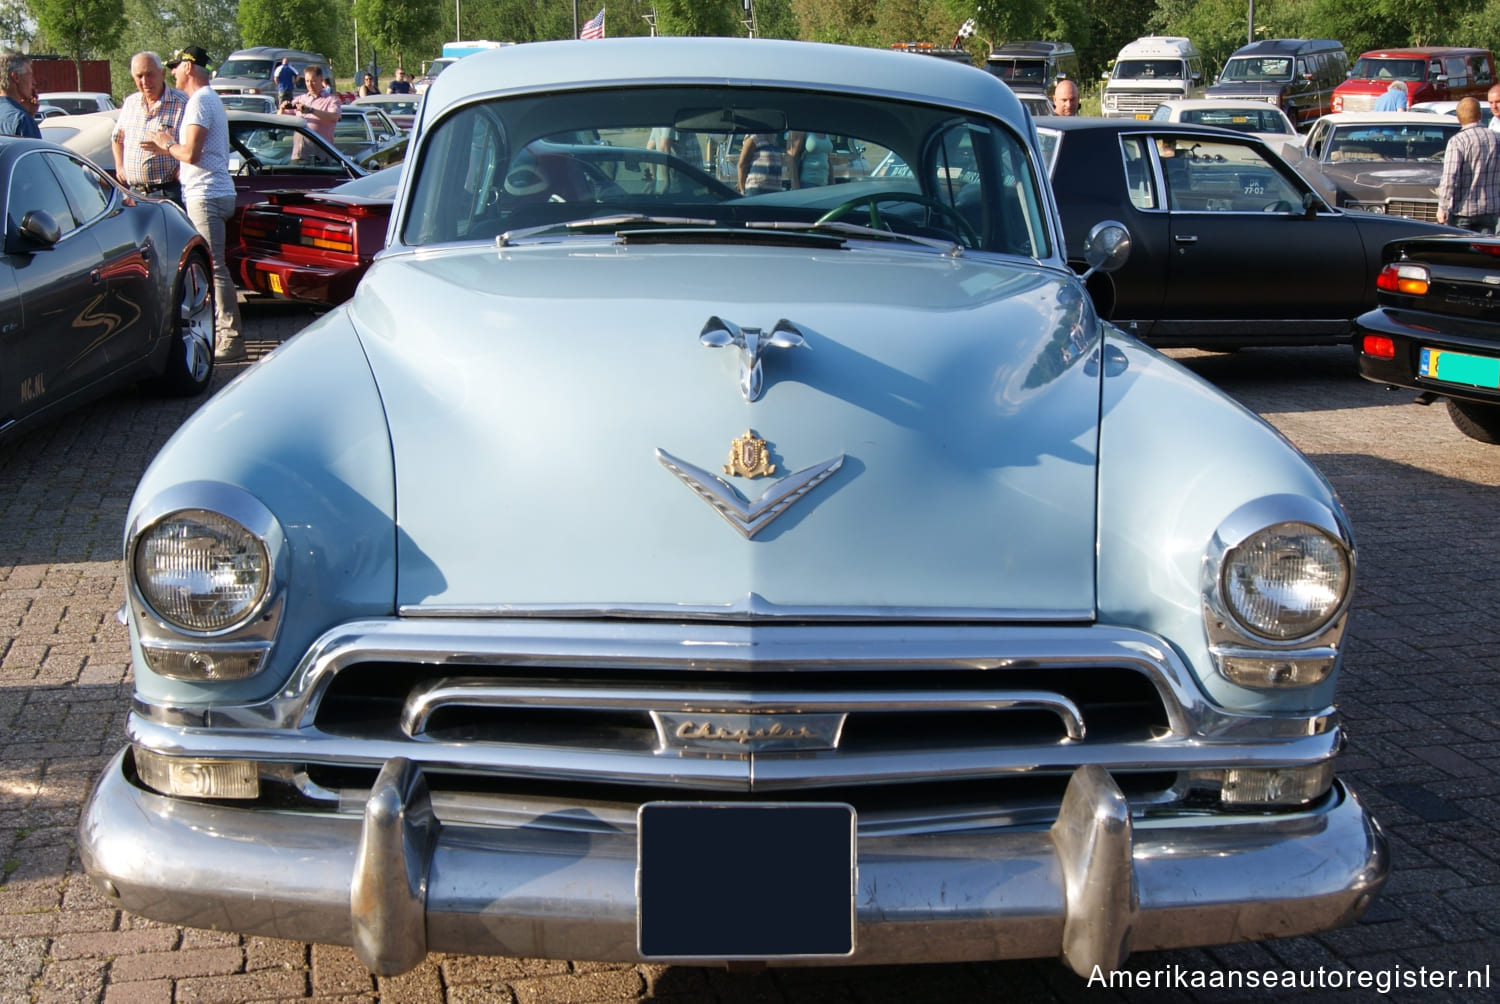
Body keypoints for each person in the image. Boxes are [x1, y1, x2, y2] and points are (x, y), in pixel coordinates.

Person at [145, 45, 246, 362]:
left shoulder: (200, 101)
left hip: (207, 194)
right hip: (210, 192)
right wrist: (170, 150)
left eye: (175, 67)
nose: (172, 72)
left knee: (214, 267)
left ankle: (231, 337)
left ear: (189, 68)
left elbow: (191, 154)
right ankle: (220, 332)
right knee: (210, 266)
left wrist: (167, 144)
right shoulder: (205, 100)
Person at [112, 51, 188, 203]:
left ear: (163, 74)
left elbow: (197, 146)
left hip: (168, 192)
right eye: (139, 76)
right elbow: (116, 138)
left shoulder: (182, 103)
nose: (145, 81)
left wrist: (184, 169)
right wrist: (119, 166)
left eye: (149, 75)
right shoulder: (131, 103)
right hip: (134, 193)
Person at [1437, 96, 1500, 233]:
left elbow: (1449, 178)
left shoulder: (1458, 141)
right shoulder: (1496, 138)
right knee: (1485, 252)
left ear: (1458, 118)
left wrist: (1442, 207)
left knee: (1462, 253)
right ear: (1480, 115)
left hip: (1463, 210)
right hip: (1489, 209)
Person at [282, 63, 341, 156]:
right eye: (307, 81)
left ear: (321, 80)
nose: (310, 85)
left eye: (313, 81)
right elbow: (280, 120)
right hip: (299, 154)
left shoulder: (331, 100)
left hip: (320, 155)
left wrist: (311, 110)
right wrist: (282, 108)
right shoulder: (300, 99)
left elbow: (334, 117)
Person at [0, 49, 39, 137]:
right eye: (30, 75)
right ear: (16, 77)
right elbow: (34, 149)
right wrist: (28, 119)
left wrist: (30, 114)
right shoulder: (21, 119)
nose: (34, 82)